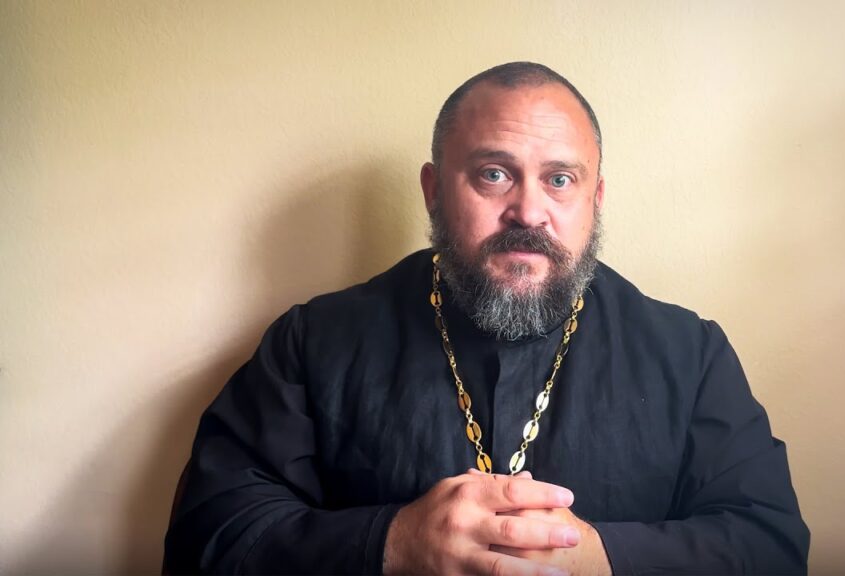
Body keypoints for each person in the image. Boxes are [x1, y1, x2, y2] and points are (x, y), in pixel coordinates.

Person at [164, 61, 810, 575]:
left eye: (560, 180)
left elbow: (770, 543)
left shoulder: (689, 354)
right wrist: (390, 542)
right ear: (434, 190)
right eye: (494, 174)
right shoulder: (313, 342)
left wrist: (604, 560)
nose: (528, 211)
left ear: (595, 199)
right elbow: (209, 534)